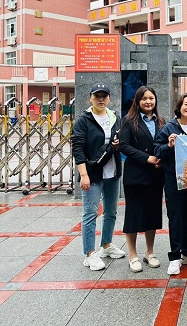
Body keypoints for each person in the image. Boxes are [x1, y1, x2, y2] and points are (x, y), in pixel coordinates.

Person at [72, 83, 125, 270]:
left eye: (104, 96)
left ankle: (106, 245)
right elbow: (77, 148)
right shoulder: (83, 120)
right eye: (97, 96)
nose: (101, 99)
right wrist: (83, 175)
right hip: (92, 174)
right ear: (90, 98)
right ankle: (89, 253)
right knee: (90, 214)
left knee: (111, 212)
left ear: (109, 98)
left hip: (112, 173)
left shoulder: (115, 117)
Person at [119, 86, 165, 273]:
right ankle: (133, 255)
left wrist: (163, 157)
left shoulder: (161, 121)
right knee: (134, 215)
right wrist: (146, 158)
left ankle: (150, 252)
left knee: (152, 214)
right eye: (144, 99)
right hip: (136, 175)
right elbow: (123, 145)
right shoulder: (129, 121)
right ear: (137, 101)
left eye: (151, 98)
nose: (148, 102)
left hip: (155, 175)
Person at [154, 93, 187, 275]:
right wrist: (169, 146)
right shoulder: (168, 128)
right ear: (179, 107)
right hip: (174, 179)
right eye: (186, 104)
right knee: (176, 217)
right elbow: (157, 150)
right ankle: (174, 256)